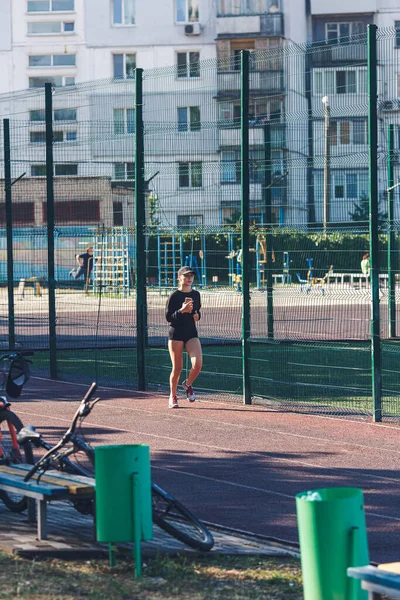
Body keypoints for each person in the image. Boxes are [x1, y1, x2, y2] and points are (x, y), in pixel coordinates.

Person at [165, 266, 202, 409]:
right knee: (177, 368)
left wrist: (196, 315)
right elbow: (169, 317)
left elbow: (198, 312)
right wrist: (181, 311)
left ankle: (187, 384)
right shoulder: (174, 296)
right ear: (179, 277)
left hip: (191, 333)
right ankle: (173, 395)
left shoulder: (196, 294)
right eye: (186, 276)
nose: (189, 278)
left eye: (191, 276)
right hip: (176, 334)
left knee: (197, 364)